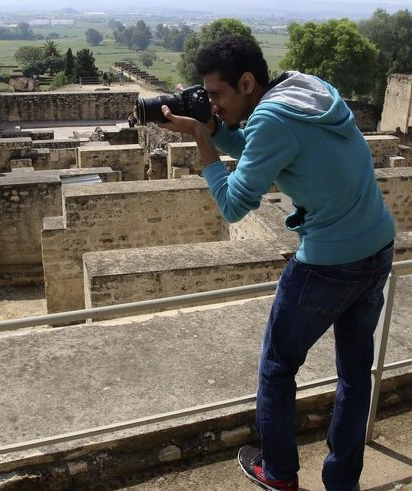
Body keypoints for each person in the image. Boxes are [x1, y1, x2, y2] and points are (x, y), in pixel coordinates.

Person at [160, 35, 395, 491]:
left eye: (217, 94)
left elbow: (233, 205)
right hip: (377, 247)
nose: (212, 103)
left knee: (277, 368)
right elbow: (261, 145)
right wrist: (215, 126)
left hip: (328, 263)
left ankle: (280, 473)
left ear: (247, 83)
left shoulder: (270, 118)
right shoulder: (307, 90)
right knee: (354, 374)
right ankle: (342, 482)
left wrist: (201, 136)